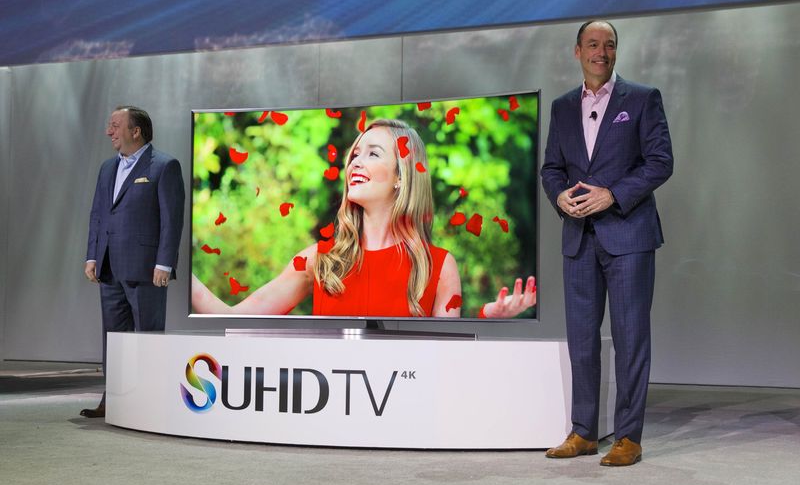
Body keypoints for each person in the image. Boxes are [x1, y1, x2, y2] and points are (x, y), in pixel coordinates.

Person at [192, 118, 535, 318]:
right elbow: (233, 318)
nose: (355, 162)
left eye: (373, 154)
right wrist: (170, 262)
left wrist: (488, 319)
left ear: (402, 175)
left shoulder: (440, 266)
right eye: (355, 154)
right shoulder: (318, 258)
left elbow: (446, 363)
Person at [540, 20, 673, 466]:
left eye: (609, 45)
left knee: (631, 337)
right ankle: (583, 432)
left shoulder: (642, 98)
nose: (602, 51)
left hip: (629, 235)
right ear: (577, 51)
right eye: (593, 44)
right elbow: (551, 168)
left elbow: (660, 163)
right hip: (579, 238)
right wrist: (559, 195)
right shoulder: (561, 108)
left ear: (616, 52)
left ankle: (629, 437)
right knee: (582, 340)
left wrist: (612, 195)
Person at [82, 105, 185, 418]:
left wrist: (164, 263)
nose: (108, 131)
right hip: (109, 267)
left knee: (148, 336)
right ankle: (113, 397)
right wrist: (91, 256)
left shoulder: (165, 166)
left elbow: (172, 219)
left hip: (146, 269)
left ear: (135, 131)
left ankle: (151, 400)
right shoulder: (106, 168)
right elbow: (99, 215)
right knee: (114, 338)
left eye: (115, 125)